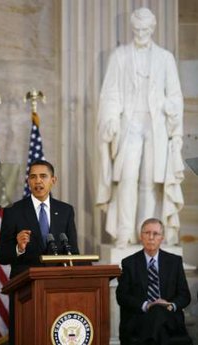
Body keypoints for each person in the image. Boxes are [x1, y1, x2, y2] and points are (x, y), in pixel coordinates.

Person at [96, 7, 184, 248]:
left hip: (156, 125)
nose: (141, 33)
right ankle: (124, 232)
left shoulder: (165, 57)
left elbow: (175, 95)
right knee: (127, 178)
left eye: (145, 29)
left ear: (152, 29)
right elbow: (110, 93)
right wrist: (112, 118)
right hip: (130, 123)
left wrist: (170, 108)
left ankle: (147, 234)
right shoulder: (120, 56)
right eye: (137, 29)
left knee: (149, 182)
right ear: (132, 29)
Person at [0, 159, 80, 344]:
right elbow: (1, 255)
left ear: (53, 180)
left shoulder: (65, 210)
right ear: (28, 181)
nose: (38, 181)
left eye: (43, 176)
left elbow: (73, 252)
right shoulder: (14, 211)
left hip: (57, 287)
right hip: (24, 289)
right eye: (33, 177)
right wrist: (18, 247)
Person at [116, 218, 191, 345]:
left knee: (159, 313)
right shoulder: (129, 263)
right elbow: (122, 296)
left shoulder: (174, 262)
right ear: (141, 236)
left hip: (169, 316)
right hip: (140, 317)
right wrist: (147, 305)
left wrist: (170, 305)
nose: (151, 237)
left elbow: (185, 296)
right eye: (147, 233)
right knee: (158, 321)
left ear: (162, 238)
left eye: (155, 234)